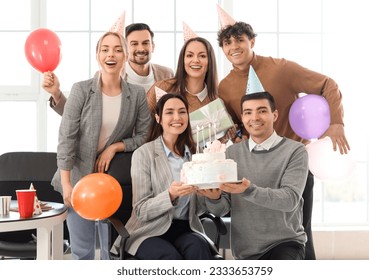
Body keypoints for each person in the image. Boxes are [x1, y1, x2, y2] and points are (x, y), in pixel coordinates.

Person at [216, 21, 351, 259]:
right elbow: (237, 128)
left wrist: (336, 123)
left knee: (300, 231)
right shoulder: (225, 87)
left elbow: (327, 84)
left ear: (252, 42)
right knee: (257, 233)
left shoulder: (281, 69)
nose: (234, 47)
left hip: (293, 165)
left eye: (240, 40)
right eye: (227, 43)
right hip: (253, 170)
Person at [51, 31, 151, 260]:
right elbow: (67, 136)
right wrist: (67, 184)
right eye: (105, 49)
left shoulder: (136, 95)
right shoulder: (81, 89)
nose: (111, 54)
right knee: (83, 249)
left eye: (117, 49)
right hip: (78, 179)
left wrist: (115, 147)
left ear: (125, 56)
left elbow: (143, 136)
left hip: (112, 182)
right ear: (97, 55)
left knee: (111, 249)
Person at [203, 91, 308, 260]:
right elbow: (222, 209)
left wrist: (248, 190)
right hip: (245, 251)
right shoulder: (232, 153)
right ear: (243, 118)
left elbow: (289, 200)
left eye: (262, 111)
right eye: (248, 112)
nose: (255, 117)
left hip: (285, 244)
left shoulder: (295, 151)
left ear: (274, 115)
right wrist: (214, 199)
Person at [112, 93, 216, 259]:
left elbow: (203, 208)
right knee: (170, 258)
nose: (177, 117)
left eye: (182, 112)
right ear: (158, 118)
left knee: (199, 250)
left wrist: (213, 197)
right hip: (148, 231)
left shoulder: (199, 154)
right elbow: (140, 211)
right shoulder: (144, 154)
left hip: (186, 228)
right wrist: (170, 195)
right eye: (169, 112)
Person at [42, 23, 174, 116]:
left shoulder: (167, 74)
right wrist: (56, 93)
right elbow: (75, 114)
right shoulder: (105, 76)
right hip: (122, 147)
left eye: (146, 43)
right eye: (134, 44)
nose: (141, 49)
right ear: (126, 49)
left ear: (153, 46)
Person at [146, 37, 218, 114]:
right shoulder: (161, 88)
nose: (196, 60)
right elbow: (144, 123)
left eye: (202, 56)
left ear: (210, 61)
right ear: (182, 60)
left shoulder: (217, 98)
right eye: (190, 55)